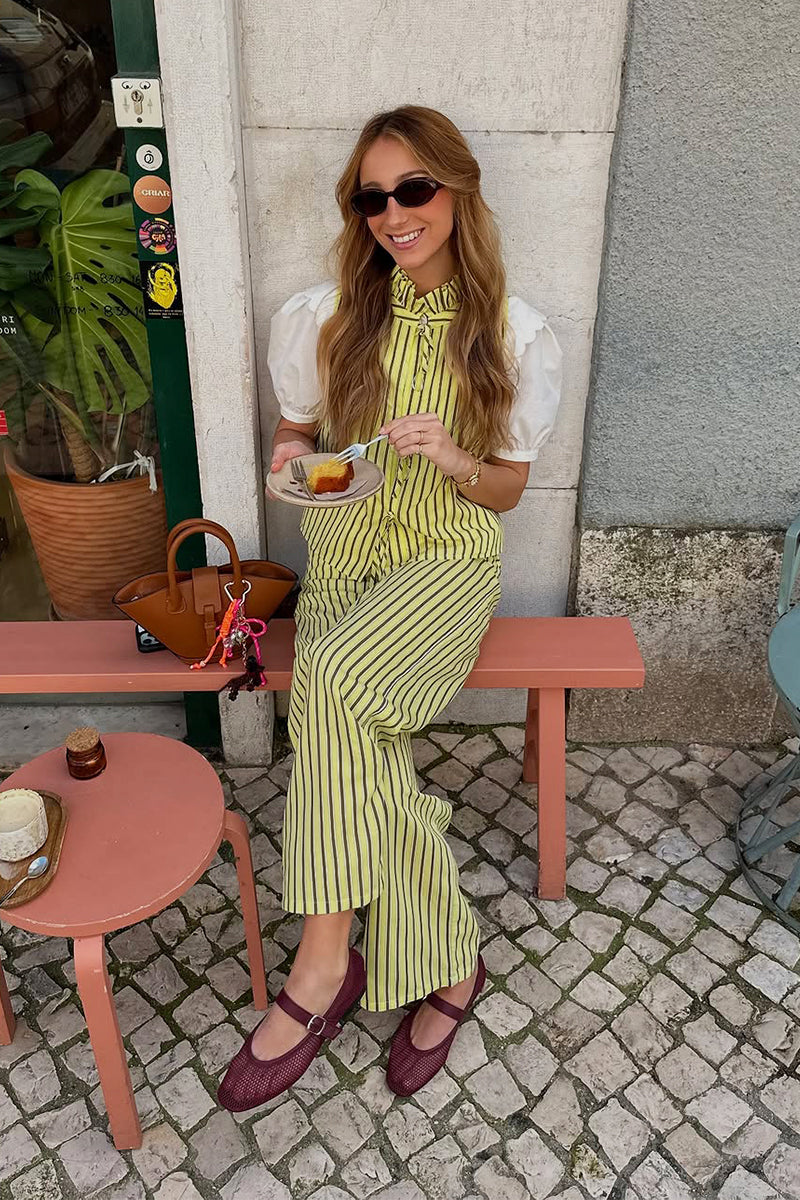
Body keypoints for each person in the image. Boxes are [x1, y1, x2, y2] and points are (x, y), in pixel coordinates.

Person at [218, 105, 561, 1111]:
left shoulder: (511, 332)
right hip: (343, 557)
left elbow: (506, 490)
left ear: (457, 191)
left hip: (446, 561)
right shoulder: (323, 316)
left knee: (325, 680)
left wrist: (454, 457)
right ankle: (449, 958)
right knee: (347, 724)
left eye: (413, 189)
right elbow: (292, 434)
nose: (393, 214)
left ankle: (322, 965)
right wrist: (291, 464)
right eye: (373, 198)